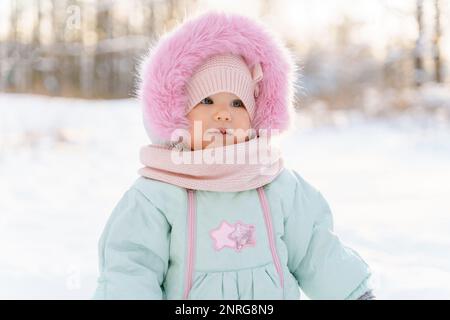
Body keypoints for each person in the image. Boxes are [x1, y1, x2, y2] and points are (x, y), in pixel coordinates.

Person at [93, 11, 374, 300]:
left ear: (254, 115)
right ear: (181, 113)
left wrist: (352, 293)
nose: (223, 114)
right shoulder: (158, 193)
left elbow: (315, 249)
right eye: (207, 100)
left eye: (237, 103)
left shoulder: (276, 183)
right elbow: (131, 266)